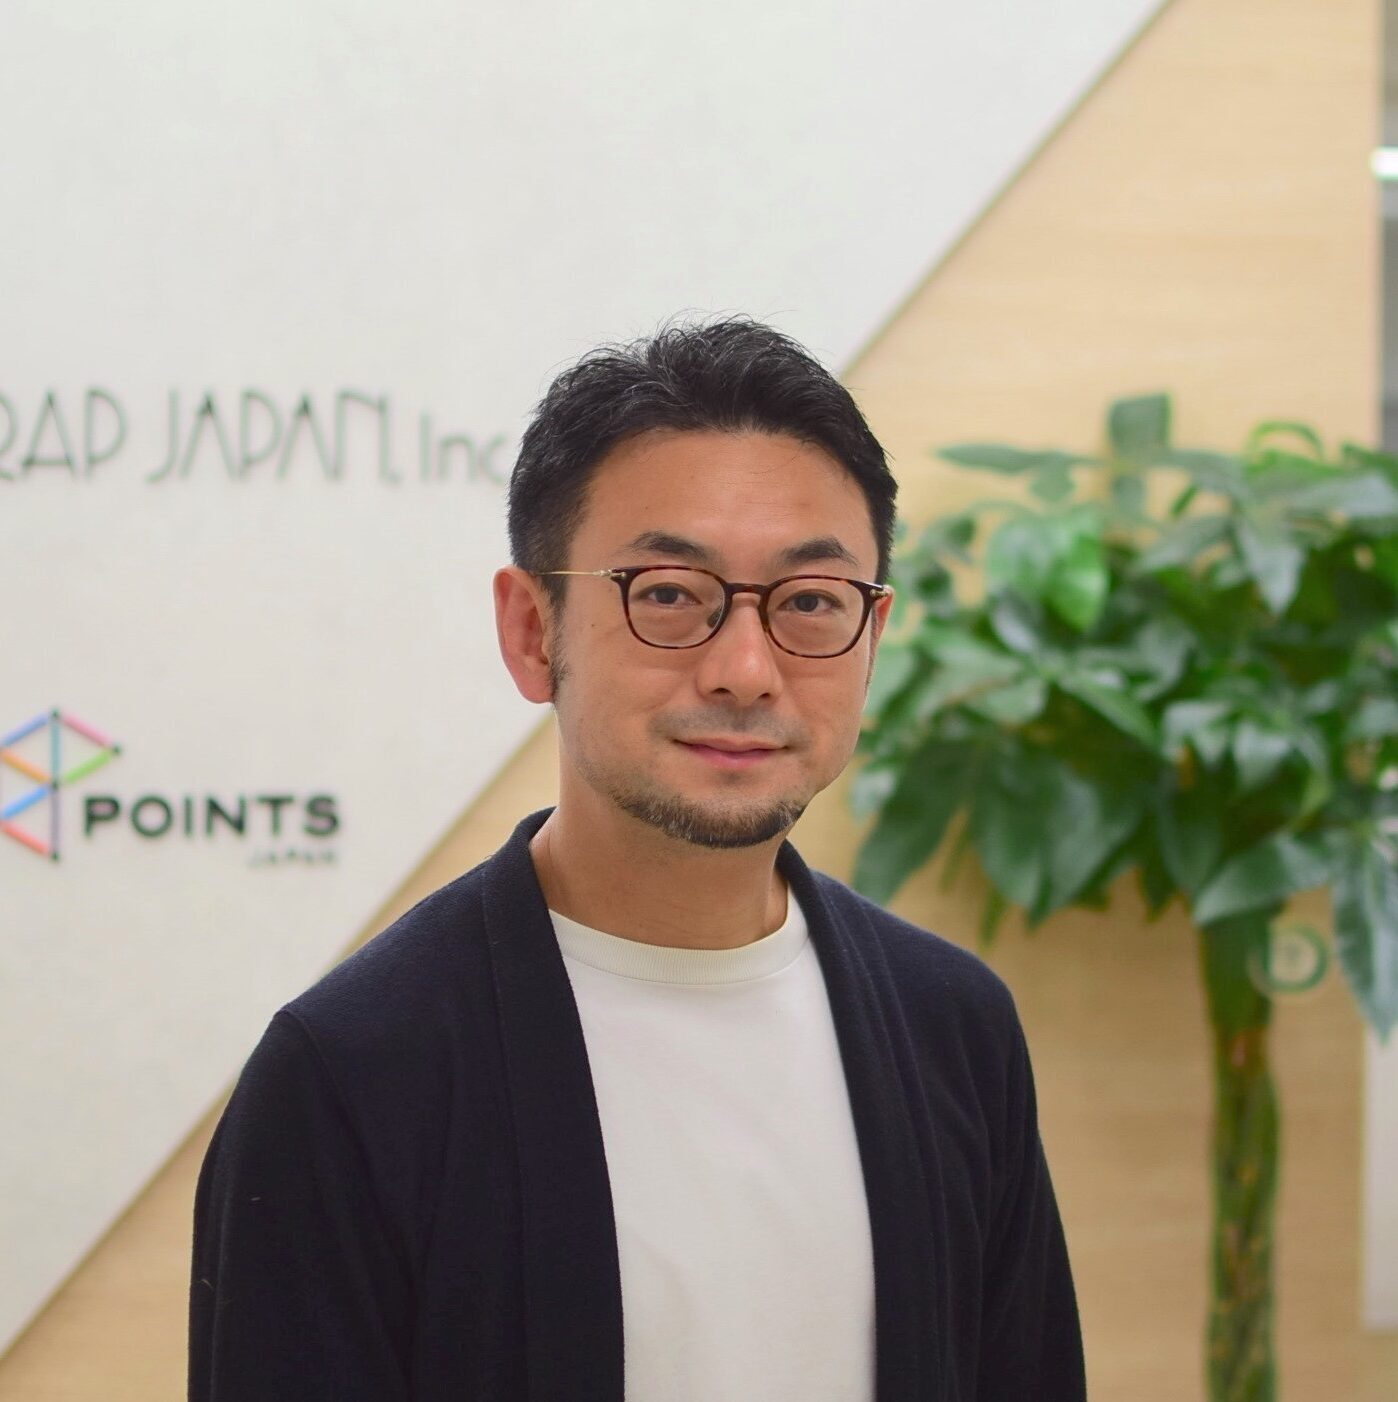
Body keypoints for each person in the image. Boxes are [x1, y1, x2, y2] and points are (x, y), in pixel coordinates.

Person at [188, 316, 1086, 1401]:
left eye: (810, 602)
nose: (747, 668)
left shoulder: (955, 1029)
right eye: (668, 594)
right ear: (533, 630)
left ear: (874, 633)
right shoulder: (353, 1074)